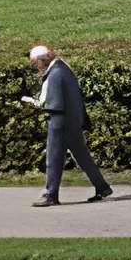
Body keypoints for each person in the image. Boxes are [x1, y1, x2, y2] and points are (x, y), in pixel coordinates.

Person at [23, 43, 113, 205]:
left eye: (35, 63)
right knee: (82, 157)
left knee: (54, 158)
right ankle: (102, 187)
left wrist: (30, 101)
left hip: (59, 122)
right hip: (72, 121)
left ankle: (51, 195)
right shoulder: (63, 67)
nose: (35, 67)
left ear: (41, 60)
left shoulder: (55, 74)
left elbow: (49, 103)